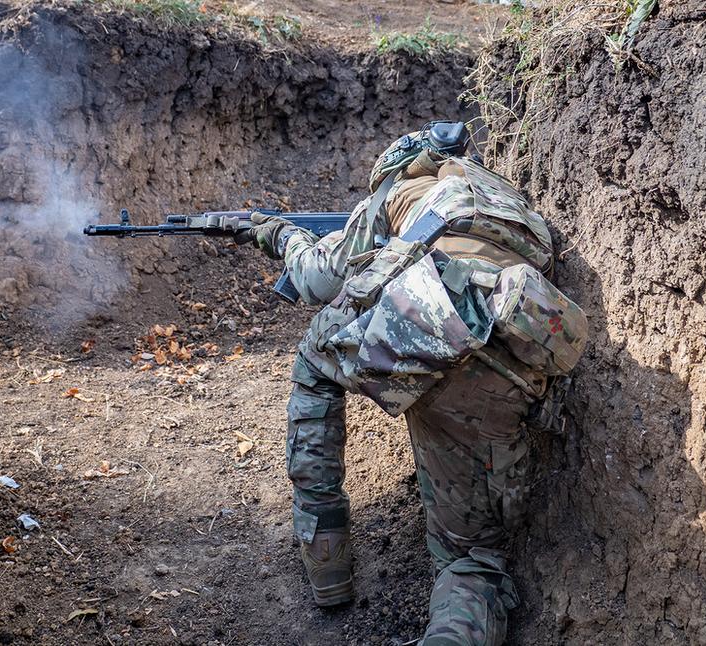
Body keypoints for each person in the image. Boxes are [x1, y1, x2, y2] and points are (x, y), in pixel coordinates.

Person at [239, 123, 567, 645]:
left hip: (422, 328)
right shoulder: (503, 200)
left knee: (315, 361)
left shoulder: (398, 191)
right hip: (509, 353)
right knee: (470, 560)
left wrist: (281, 235)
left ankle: (326, 562)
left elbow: (318, 278)